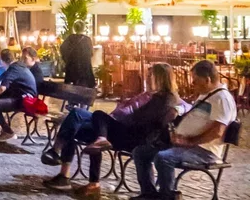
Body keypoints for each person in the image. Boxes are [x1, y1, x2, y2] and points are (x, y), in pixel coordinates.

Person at [43, 63, 179, 194]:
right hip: (127, 130)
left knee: (94, 115)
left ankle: (64, 161)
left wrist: (125, 116)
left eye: (151, 76)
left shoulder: (165, 99)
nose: (147, 79)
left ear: (161, 78)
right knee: (77, 128)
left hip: (133, 137)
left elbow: (140, 119)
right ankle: (89, 181)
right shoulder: (156, 96)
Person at [133, 60, 237, 199]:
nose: (192, 84)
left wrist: (190, 141)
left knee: (164, 157)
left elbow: (218, 131)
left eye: (195, 81)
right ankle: (149, 193)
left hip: (204, 150)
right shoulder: (206, 94)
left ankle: (167, 195)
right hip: (186, 144)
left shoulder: (221, 99)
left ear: (207, 80)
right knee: (141, 152)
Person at [60, 20, 96, 89]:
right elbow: (91, 53)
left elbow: (62, 49)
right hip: (85, 67)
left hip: (71, 66)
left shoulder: (70, 38)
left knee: (72, 85)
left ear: (74, 28)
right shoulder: (87, 40)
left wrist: (67, 59)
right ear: (83, 28)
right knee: (84, 86)